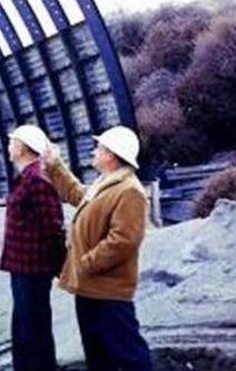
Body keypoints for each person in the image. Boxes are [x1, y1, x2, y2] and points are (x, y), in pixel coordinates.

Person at [42, 126, 154, 371]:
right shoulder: (106, 183)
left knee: (129, 355)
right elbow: (76, 194)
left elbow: (123, 240)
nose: (94, 151)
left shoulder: (129, 191)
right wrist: (55, 166)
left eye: (99, 148)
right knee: (98, 356)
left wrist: (86, 263)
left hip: (108, 290)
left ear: (111, 156)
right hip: (91, 288)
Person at [0, 124, 65, 371]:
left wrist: (60, 266)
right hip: (22, 266)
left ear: (23, 148)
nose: (9, 146)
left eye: (12, 141)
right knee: (24, 329)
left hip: (33, 268)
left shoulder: (37, 180)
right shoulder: (27, 177)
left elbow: (53, 227)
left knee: (35, 330)